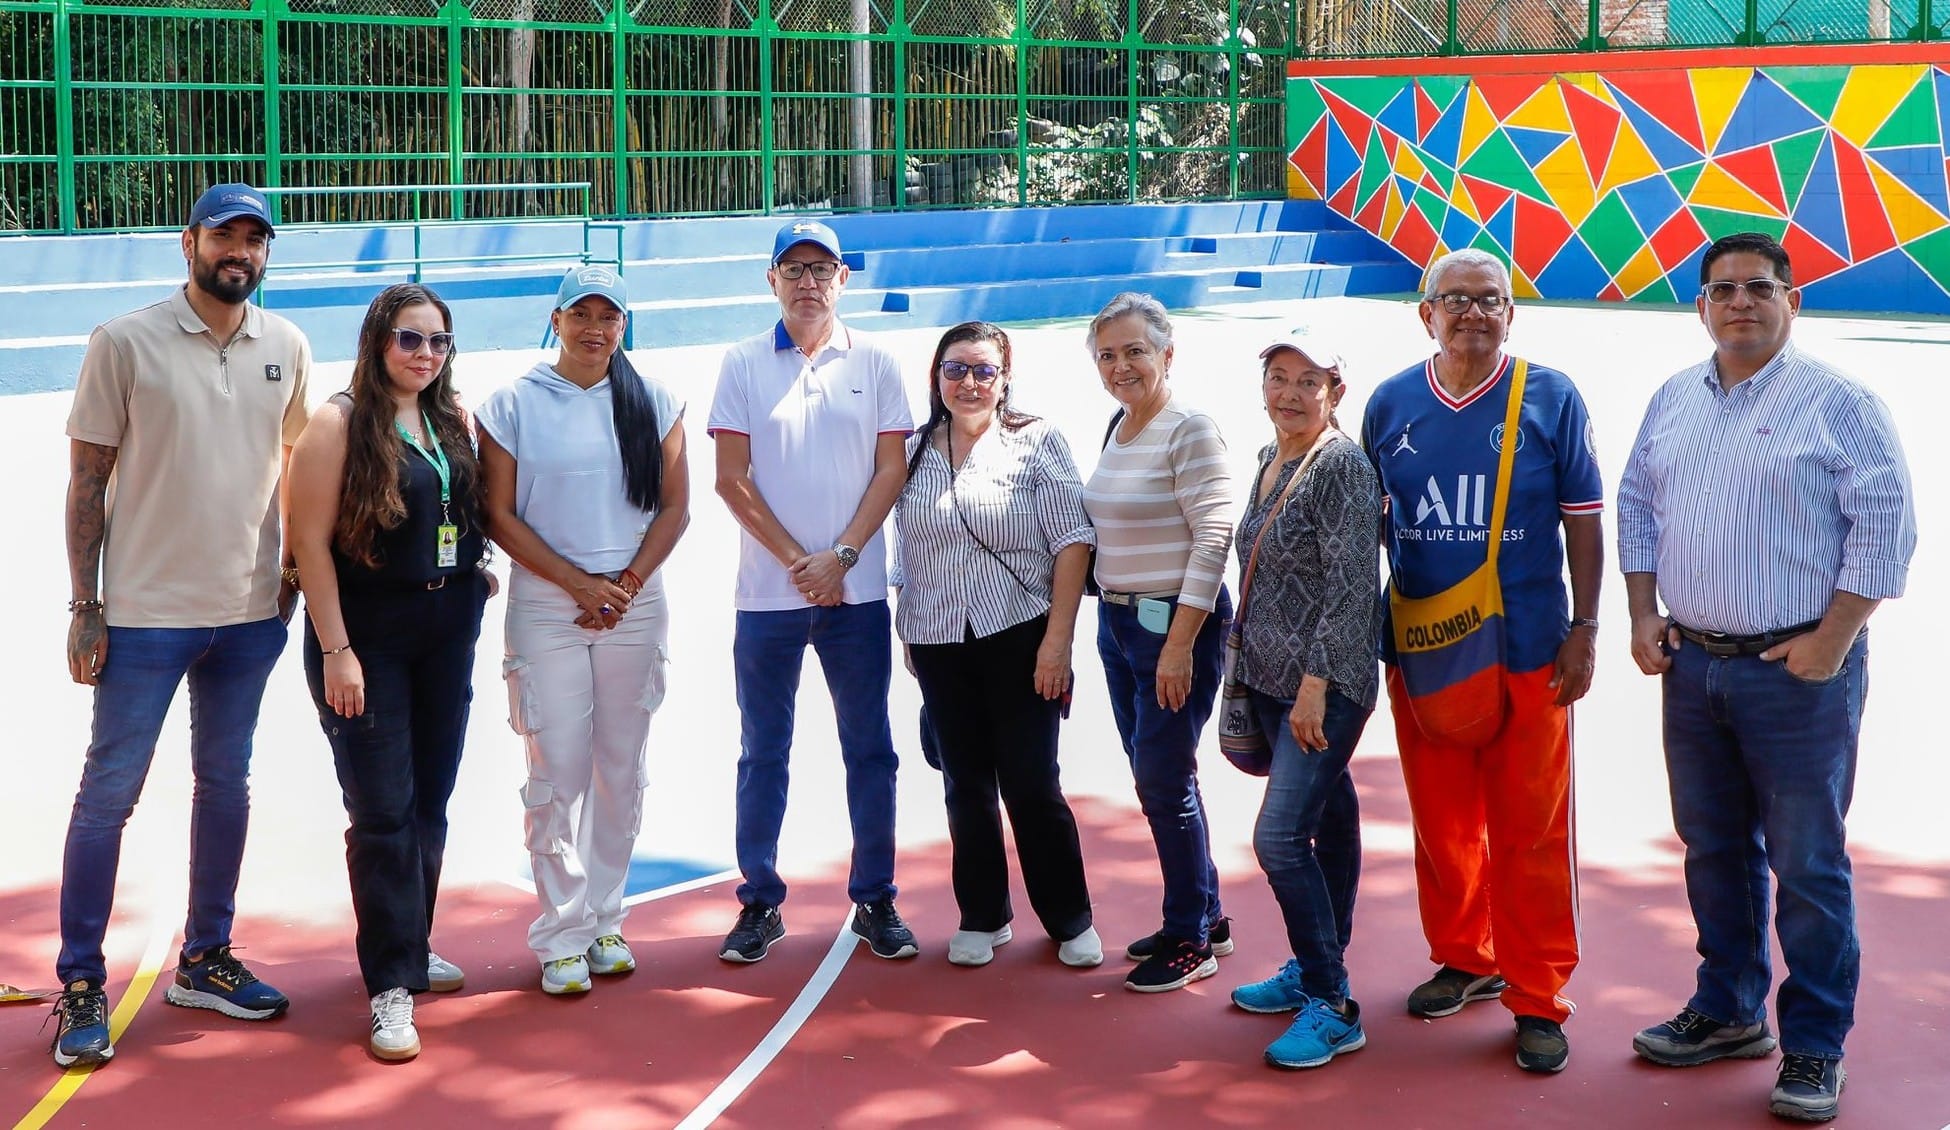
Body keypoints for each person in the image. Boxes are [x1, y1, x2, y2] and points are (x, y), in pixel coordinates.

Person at [1616, 232, 1915, 1124]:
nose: (1739, 301)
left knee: (1808, 864)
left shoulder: (1842, 404)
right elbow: (1634, 504)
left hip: (1797, 671)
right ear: (1700, 305)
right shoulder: (1676, 397)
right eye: (1722, 289)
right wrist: (1640, 611)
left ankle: (1815, 1045)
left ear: (1793, 298)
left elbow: (1885, 526)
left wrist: (1834, 638)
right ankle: (1729, 1009)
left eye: (1758, 286)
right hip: (1693, 664)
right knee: (1712, 849)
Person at [52, 183, 310, 1067]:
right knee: (109, 795)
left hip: (248, 615)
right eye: (225, 235)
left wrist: (293, 574)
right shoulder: (124, 343)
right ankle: (82, 980)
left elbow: (296, 469)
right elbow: (87, 484)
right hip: (143, 616)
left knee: (226, 785)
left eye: (255, 239)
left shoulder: (287, 344)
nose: (240, 251)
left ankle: (206, 957)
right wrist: (86, 604)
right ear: (189, 242)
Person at [1360, 248, 1603, 1074]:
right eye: (1454, 299)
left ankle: (1537, 995)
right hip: (1425, 648)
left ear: (1512, 311)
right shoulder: (1391, 402)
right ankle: (1467, 956)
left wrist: (1587, 627)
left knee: (1531, 827)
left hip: (1533, 647)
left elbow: (1583, 518)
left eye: (1489, 299)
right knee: (1442, 821)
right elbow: (1371, 530)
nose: (1471, 312)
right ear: (1424, 313)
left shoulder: (1551, 395)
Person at [286, 283, 492, 1060]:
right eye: (411, 340)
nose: (425, 356)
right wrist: (338, 651)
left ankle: (412, 941)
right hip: (367, 639)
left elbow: (461, 514)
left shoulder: (448, 417)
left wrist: (475, 568)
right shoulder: (339, 423)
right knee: (383, 814)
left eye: (439, 342)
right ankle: (389, 987)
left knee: (430, 804)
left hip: (447, 630)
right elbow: (308, 544)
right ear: (379, 342)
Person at [477, 264, 690, 995]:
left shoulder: (654, 400)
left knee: (620, 770)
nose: (595, 329)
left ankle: (605, 919)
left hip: (633, 606)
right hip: (548, 609)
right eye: (581, 315)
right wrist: (579, 583)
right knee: (557, 772)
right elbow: (497, 514)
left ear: (623, 326)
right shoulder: (512, 404)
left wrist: (623, 587)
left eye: (610, 317)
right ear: (556, 319)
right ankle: (560, 933)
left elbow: (674, 510)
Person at [709, 220, 917, 964]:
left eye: (820, 268)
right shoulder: (740, 363)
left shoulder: (880, 362)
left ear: (843, 280)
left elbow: (890, 471)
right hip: (768, 598)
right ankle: (760, 901)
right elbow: (730, 478)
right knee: (763, 751)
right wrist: (804, 562)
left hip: (855, 595)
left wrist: (844, 556)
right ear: (771, 281)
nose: (807, 282)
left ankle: (877, 897)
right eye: (791, 269)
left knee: (871, 750)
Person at [893, 321, 1101, 970]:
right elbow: (905, 546)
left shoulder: (1037, 442)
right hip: (938, 640)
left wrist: (1057, 643)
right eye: (955, 370)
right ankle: (984, 914)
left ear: (1005, 378)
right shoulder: (910, 451)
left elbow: (1072, 542)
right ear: (936, 377)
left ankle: (1069, 916)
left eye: (984, 370)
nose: (969, 383)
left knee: (1032, 781)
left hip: (1021, 633)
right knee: (965, 784)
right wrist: (910, 628)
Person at [1225, 330, 1381, 1069]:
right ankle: (1315, 967)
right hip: (1270, 680)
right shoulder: (1270, 459)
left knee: (1281, 839)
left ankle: (1332, 1000)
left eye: (1308, 382)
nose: (1289, 394)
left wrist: (1317, 686)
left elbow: (1354, 588)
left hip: (1324, 686)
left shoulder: (1342, 467)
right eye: (1278, 378)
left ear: (1335, 393)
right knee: (1333, 820)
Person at [1080, 292, 1236, 994]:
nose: (1121, 366)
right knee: (1156, 770)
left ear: (1168, 354)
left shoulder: (1189, 429)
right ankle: (1209, 912)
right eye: (1107, 355)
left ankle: (1189, 937)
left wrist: (1179, 644)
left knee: (1163, 779)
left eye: (1135, 350)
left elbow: (1213, 538)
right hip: (1118, 625)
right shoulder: (1120, 425)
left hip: (1174, 626)